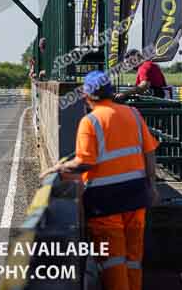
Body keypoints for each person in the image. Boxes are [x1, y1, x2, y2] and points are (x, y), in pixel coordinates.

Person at [41, 70, 160, 290]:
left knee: (113, 262)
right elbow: (149, 152)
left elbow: (84, 163)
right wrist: (151, 186)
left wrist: (57, 168)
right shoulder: (133, 114)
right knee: (133, 259)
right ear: (112, 92)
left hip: (105, 204)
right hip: (136, 196)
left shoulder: (90, 121)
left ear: (87, 97)